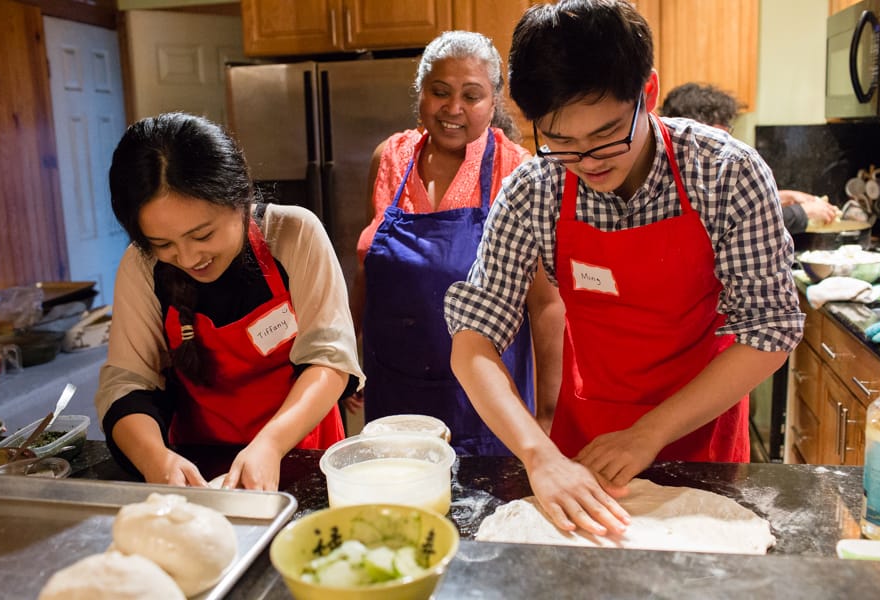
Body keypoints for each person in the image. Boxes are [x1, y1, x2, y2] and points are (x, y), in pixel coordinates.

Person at [444, 0, 804, 536]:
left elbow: (770, 329)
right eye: (562, 142)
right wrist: (538, 455)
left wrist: (648, 433)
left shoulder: (725, 174)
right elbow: (473, 340)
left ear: (649, 94)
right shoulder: (535, 189)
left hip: (702, 438)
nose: (588, 162)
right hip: (583, 448)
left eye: (607, 136)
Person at [96, 112, 364, 491]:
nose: (188, 259)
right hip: (198, 468)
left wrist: (269, 446)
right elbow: (128, 383)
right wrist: (156, 460)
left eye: (202, 235)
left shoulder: (293, 235)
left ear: (240, 198)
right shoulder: (142, 267)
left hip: (303, 455)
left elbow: (329, 358)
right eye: (163, 244)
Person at [347, 30, 564, 455]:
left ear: (494, 101)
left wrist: (547, 412)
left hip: (484, 398)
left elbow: (546, 303)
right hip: (394, 389)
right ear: (420, 92)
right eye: (440, 92)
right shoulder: (389, 158)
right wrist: (346, 360)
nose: (453, 109)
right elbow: (365, 269)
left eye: (472, 95)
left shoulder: (519, 172)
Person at [660, 82, 839, 234]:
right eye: (725, 129)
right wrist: (801, 213)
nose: (727, 140)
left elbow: (726, 209)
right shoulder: (680, 171)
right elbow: (734, 227)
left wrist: (776, 197)